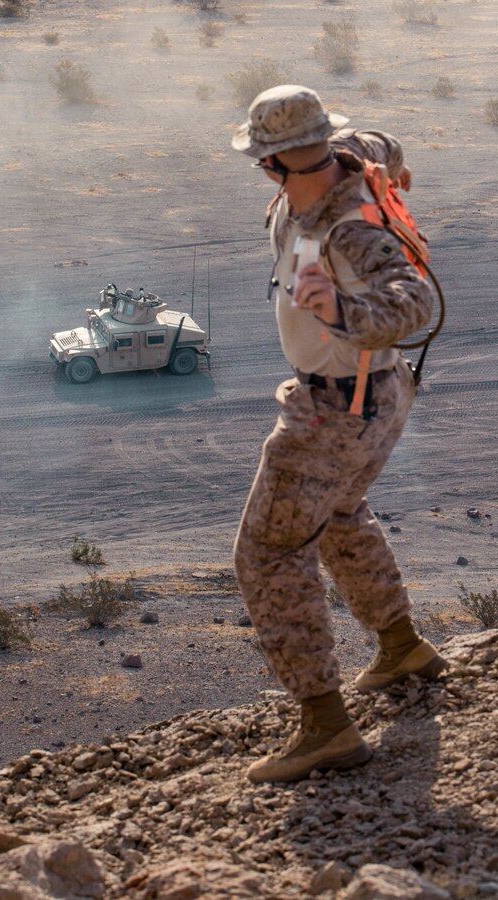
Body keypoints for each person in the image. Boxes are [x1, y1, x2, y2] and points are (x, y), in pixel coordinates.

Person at [231, 85, 446, 784]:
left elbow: (414, 298)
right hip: (381, 398)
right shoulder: (353, 157)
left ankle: (325, 727)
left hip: (335, 409)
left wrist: (344, 309)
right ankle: (401, 647)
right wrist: (396, 170)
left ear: (269, 163)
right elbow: (384, 144)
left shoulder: (347, 229)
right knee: (341, 515)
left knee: (268, 551)